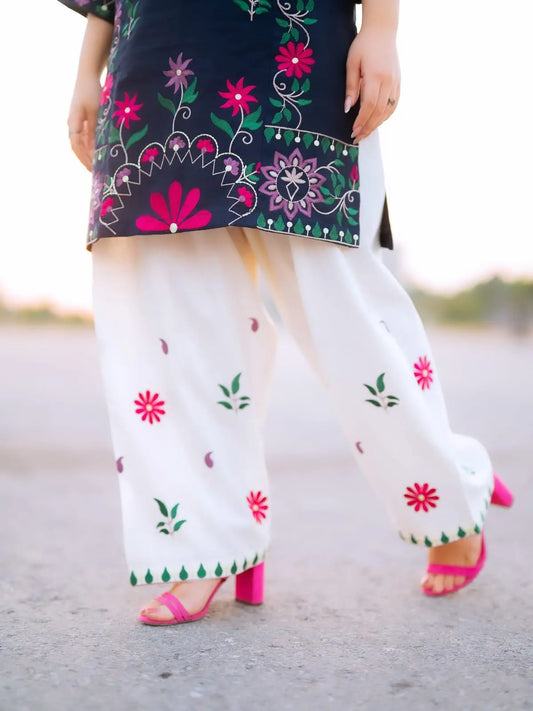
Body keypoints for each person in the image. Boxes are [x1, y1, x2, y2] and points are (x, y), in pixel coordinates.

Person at [60, 0, 513, 626]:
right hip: (153, 58)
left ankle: (450, 489)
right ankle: (206, 542)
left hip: (293, 51)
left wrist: (382, 28)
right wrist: (88, 71)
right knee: (169, 318)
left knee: (344, 308)